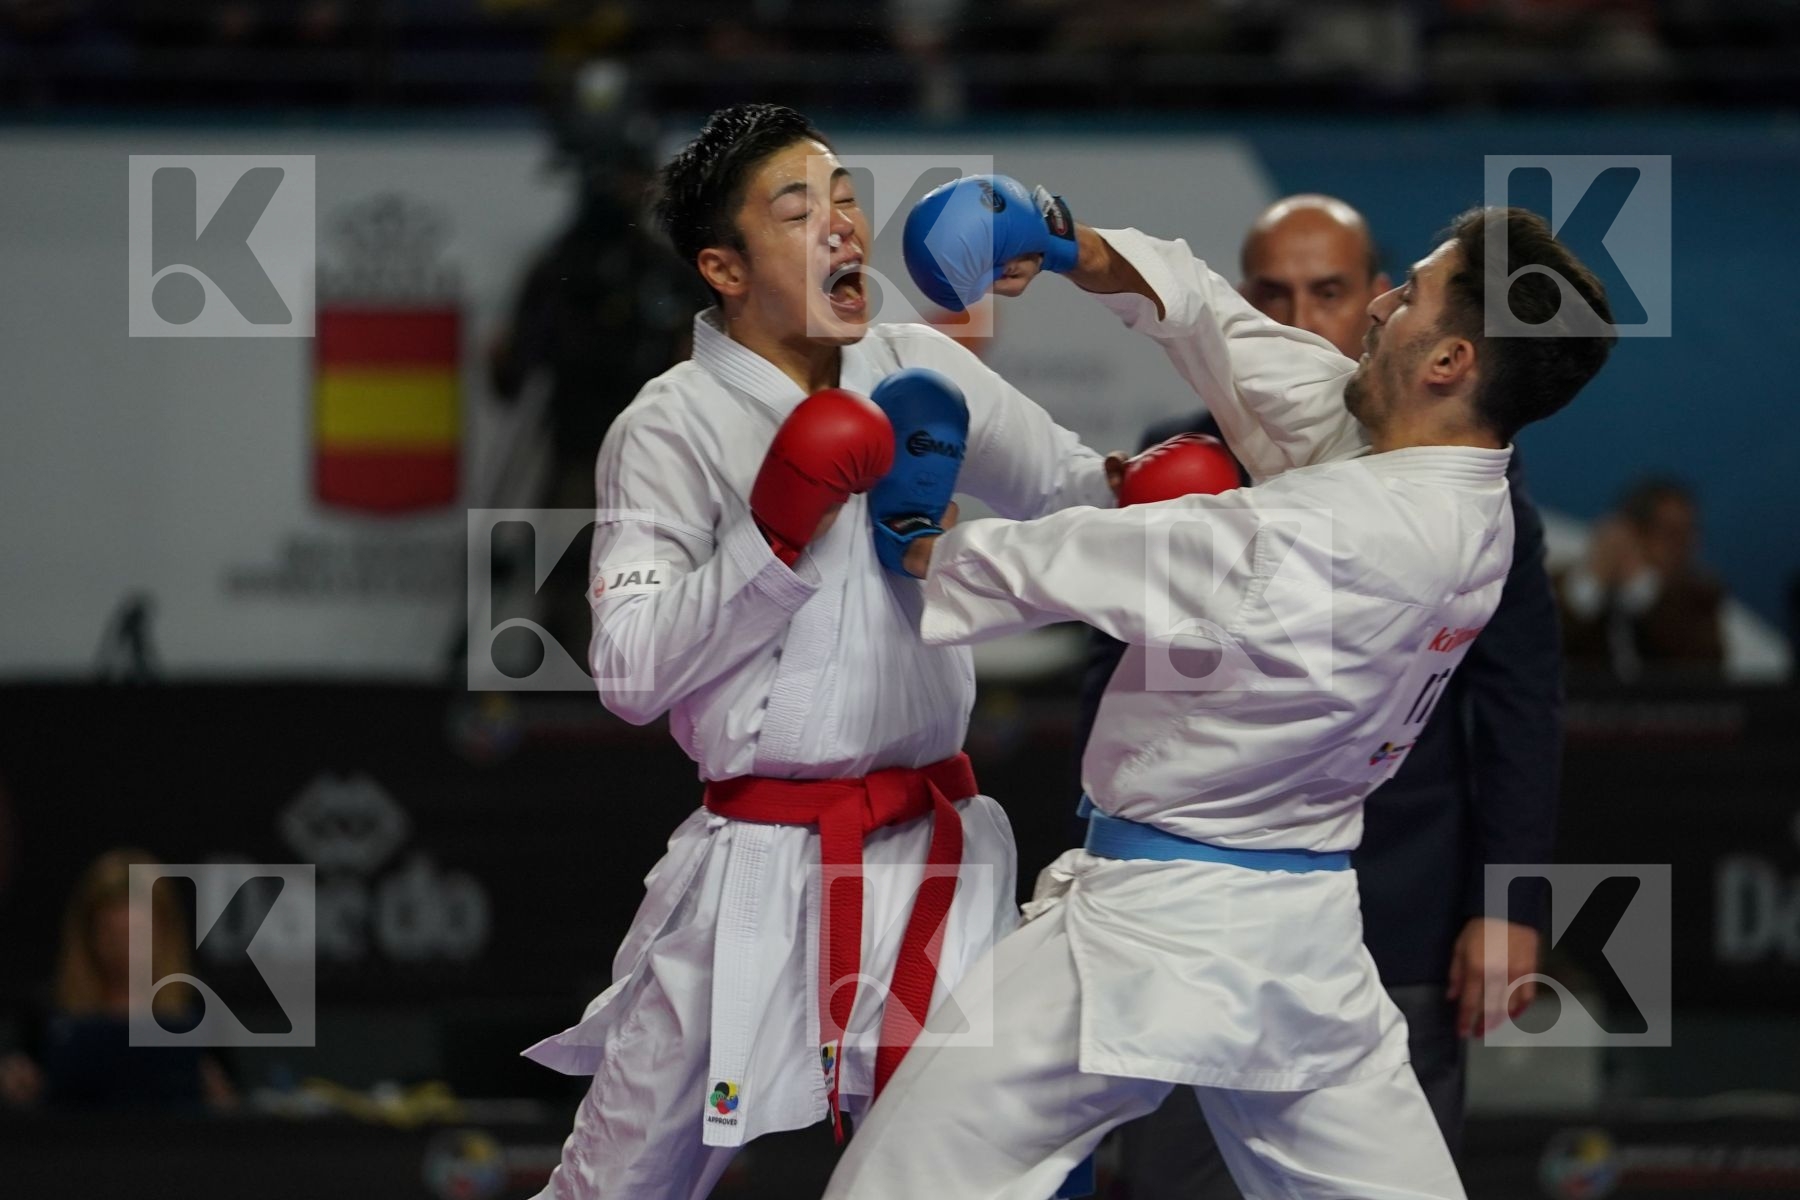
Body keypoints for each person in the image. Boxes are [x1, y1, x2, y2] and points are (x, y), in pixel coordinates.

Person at [822, 186, 1613, 1199]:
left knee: (899, 1181)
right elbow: (1228, 330)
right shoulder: (1458, 483)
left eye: (1406, 298)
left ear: (1449, 361)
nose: (1377, 308)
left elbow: (1069, 564)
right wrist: (1067, 246)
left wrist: (914, 539)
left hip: (1154, 933)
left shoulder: (1338, 533)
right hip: (1308, 937)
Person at [518, 106, 1111, 1200]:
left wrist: (1170, 489)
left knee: (992, 1177)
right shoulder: (670, 426)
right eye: (800, 210)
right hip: (754, 866)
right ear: (723, 267)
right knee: (615, 1184)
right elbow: (631, 675)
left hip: (932, 851)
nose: (843, 226)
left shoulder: (918, 366)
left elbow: (1081, 489)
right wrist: (775, 529)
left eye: (846, 199)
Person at [1077, 194, 1562, 1196]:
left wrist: (1508, 901)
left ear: (1384, 305)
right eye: (1274, 292)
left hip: (1395, 905)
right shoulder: (1183, 462)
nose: (1302, 317)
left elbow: (1518, 699)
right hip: (1186, 908)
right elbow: (1110, 676)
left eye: (1329, 291)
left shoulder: (1475, 486)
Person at [1, 848, 236, 1112]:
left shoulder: (199, 1008)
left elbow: (231, 1105)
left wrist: (219, 1098)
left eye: (137, 934)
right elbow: (22, 1107)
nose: (125, 949)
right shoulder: (45, 1012)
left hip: (173, 1150)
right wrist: (18, 1088)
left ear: (164, 932)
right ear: (88, 934)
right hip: (72, 1149)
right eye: (113, 935)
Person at [1556, 476, 1725, 679]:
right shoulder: (1554, 587)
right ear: (1633, 534)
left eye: (1690, 532)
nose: (1686, 545)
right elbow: (1535, 650)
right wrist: (1590, 586)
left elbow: (1706, 667)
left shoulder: (1700, 594)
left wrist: (1641, 588)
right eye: (1672, 534)